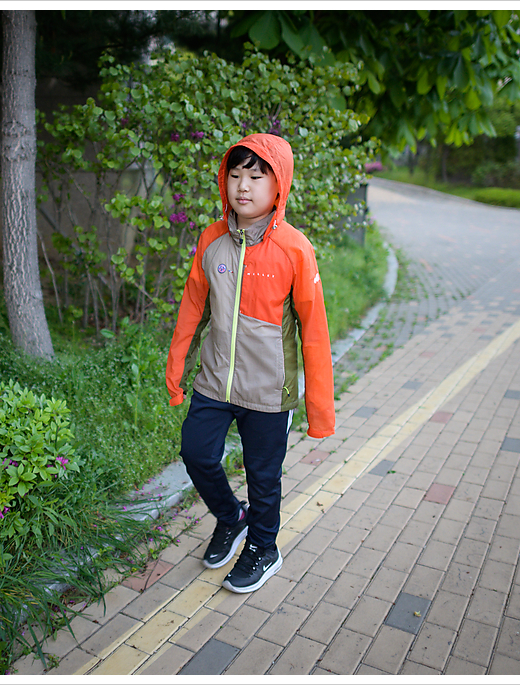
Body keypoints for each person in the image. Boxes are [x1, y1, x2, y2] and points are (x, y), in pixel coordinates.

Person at [165, 133, 335, 593]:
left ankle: (263, 547)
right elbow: (193, 308)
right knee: (196, 453)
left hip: (268, 390)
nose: (243, 186)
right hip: (215, 381)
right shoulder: (212, 239)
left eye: (256, 177)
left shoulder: (294, 248)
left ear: (278, 185)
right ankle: (231, 517)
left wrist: (319, 411)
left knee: (263, 478)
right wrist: (176, 370)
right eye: (236, 175)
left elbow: (314, 332)